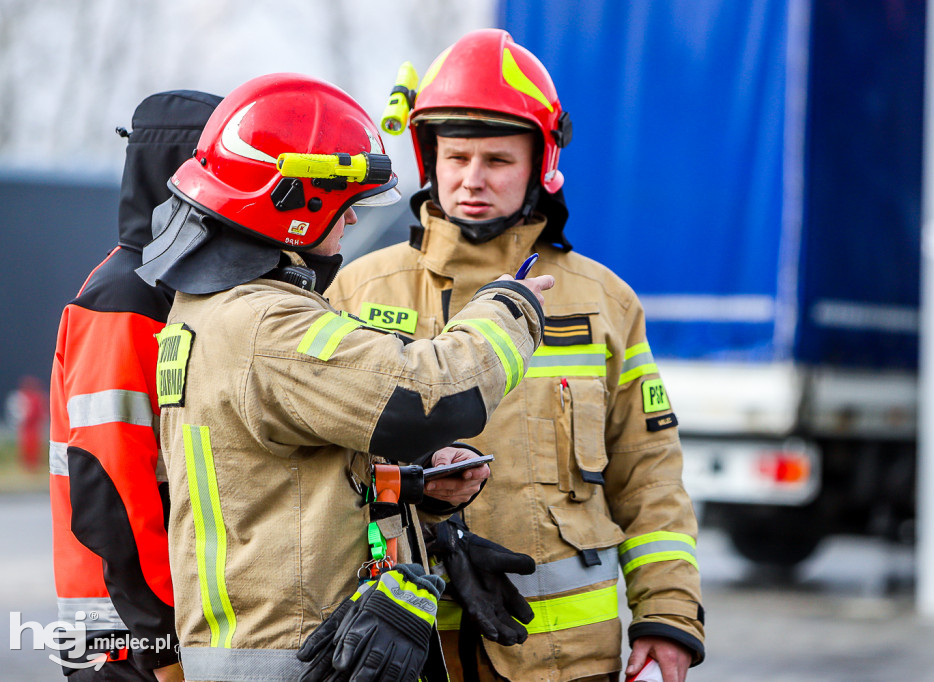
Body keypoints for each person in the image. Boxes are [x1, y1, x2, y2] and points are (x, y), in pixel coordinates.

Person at [134, 72, 553, 682]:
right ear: (299, 205)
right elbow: (431, 397)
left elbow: (279, 480)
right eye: (346, 204)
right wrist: (509, 308)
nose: (353, 223)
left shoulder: (212, 311)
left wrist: (406, 486)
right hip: (294, 659)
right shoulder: (265, 325)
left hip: (270, 650)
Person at [327, 29, 705, 681]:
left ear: (540, 166)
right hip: (404, 652)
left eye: (497, 160)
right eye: (457, 157)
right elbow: (319, 473)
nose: (472, 179)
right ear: (430, 159)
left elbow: (650, 476)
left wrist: (668, 618)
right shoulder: (359, 290)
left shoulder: (603, 301)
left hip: (564, 660)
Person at [49, 90, 221, 681]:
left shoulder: (175, 288)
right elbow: (112, 493)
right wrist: (163, 649)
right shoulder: (127, 296)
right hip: (124, 634)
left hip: (154, 622)